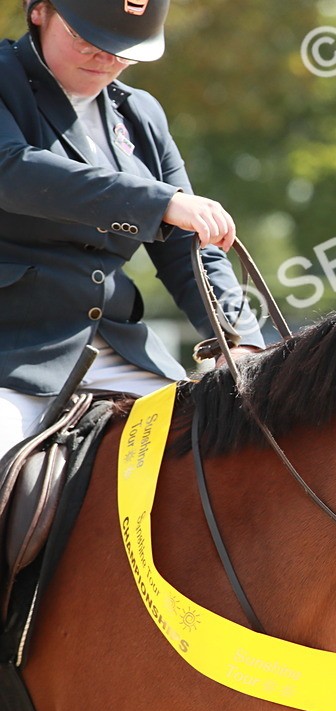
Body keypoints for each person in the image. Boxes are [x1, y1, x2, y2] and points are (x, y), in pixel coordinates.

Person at [0, 0, 263, 457]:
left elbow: (189, 248)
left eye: (123, 48)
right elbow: (13, 171)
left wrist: (237, 341)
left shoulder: (141, 114)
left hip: (121, 351)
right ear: (39, 10)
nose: (106, 57)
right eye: (86, 38)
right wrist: (160, 201)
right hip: (12, 350)